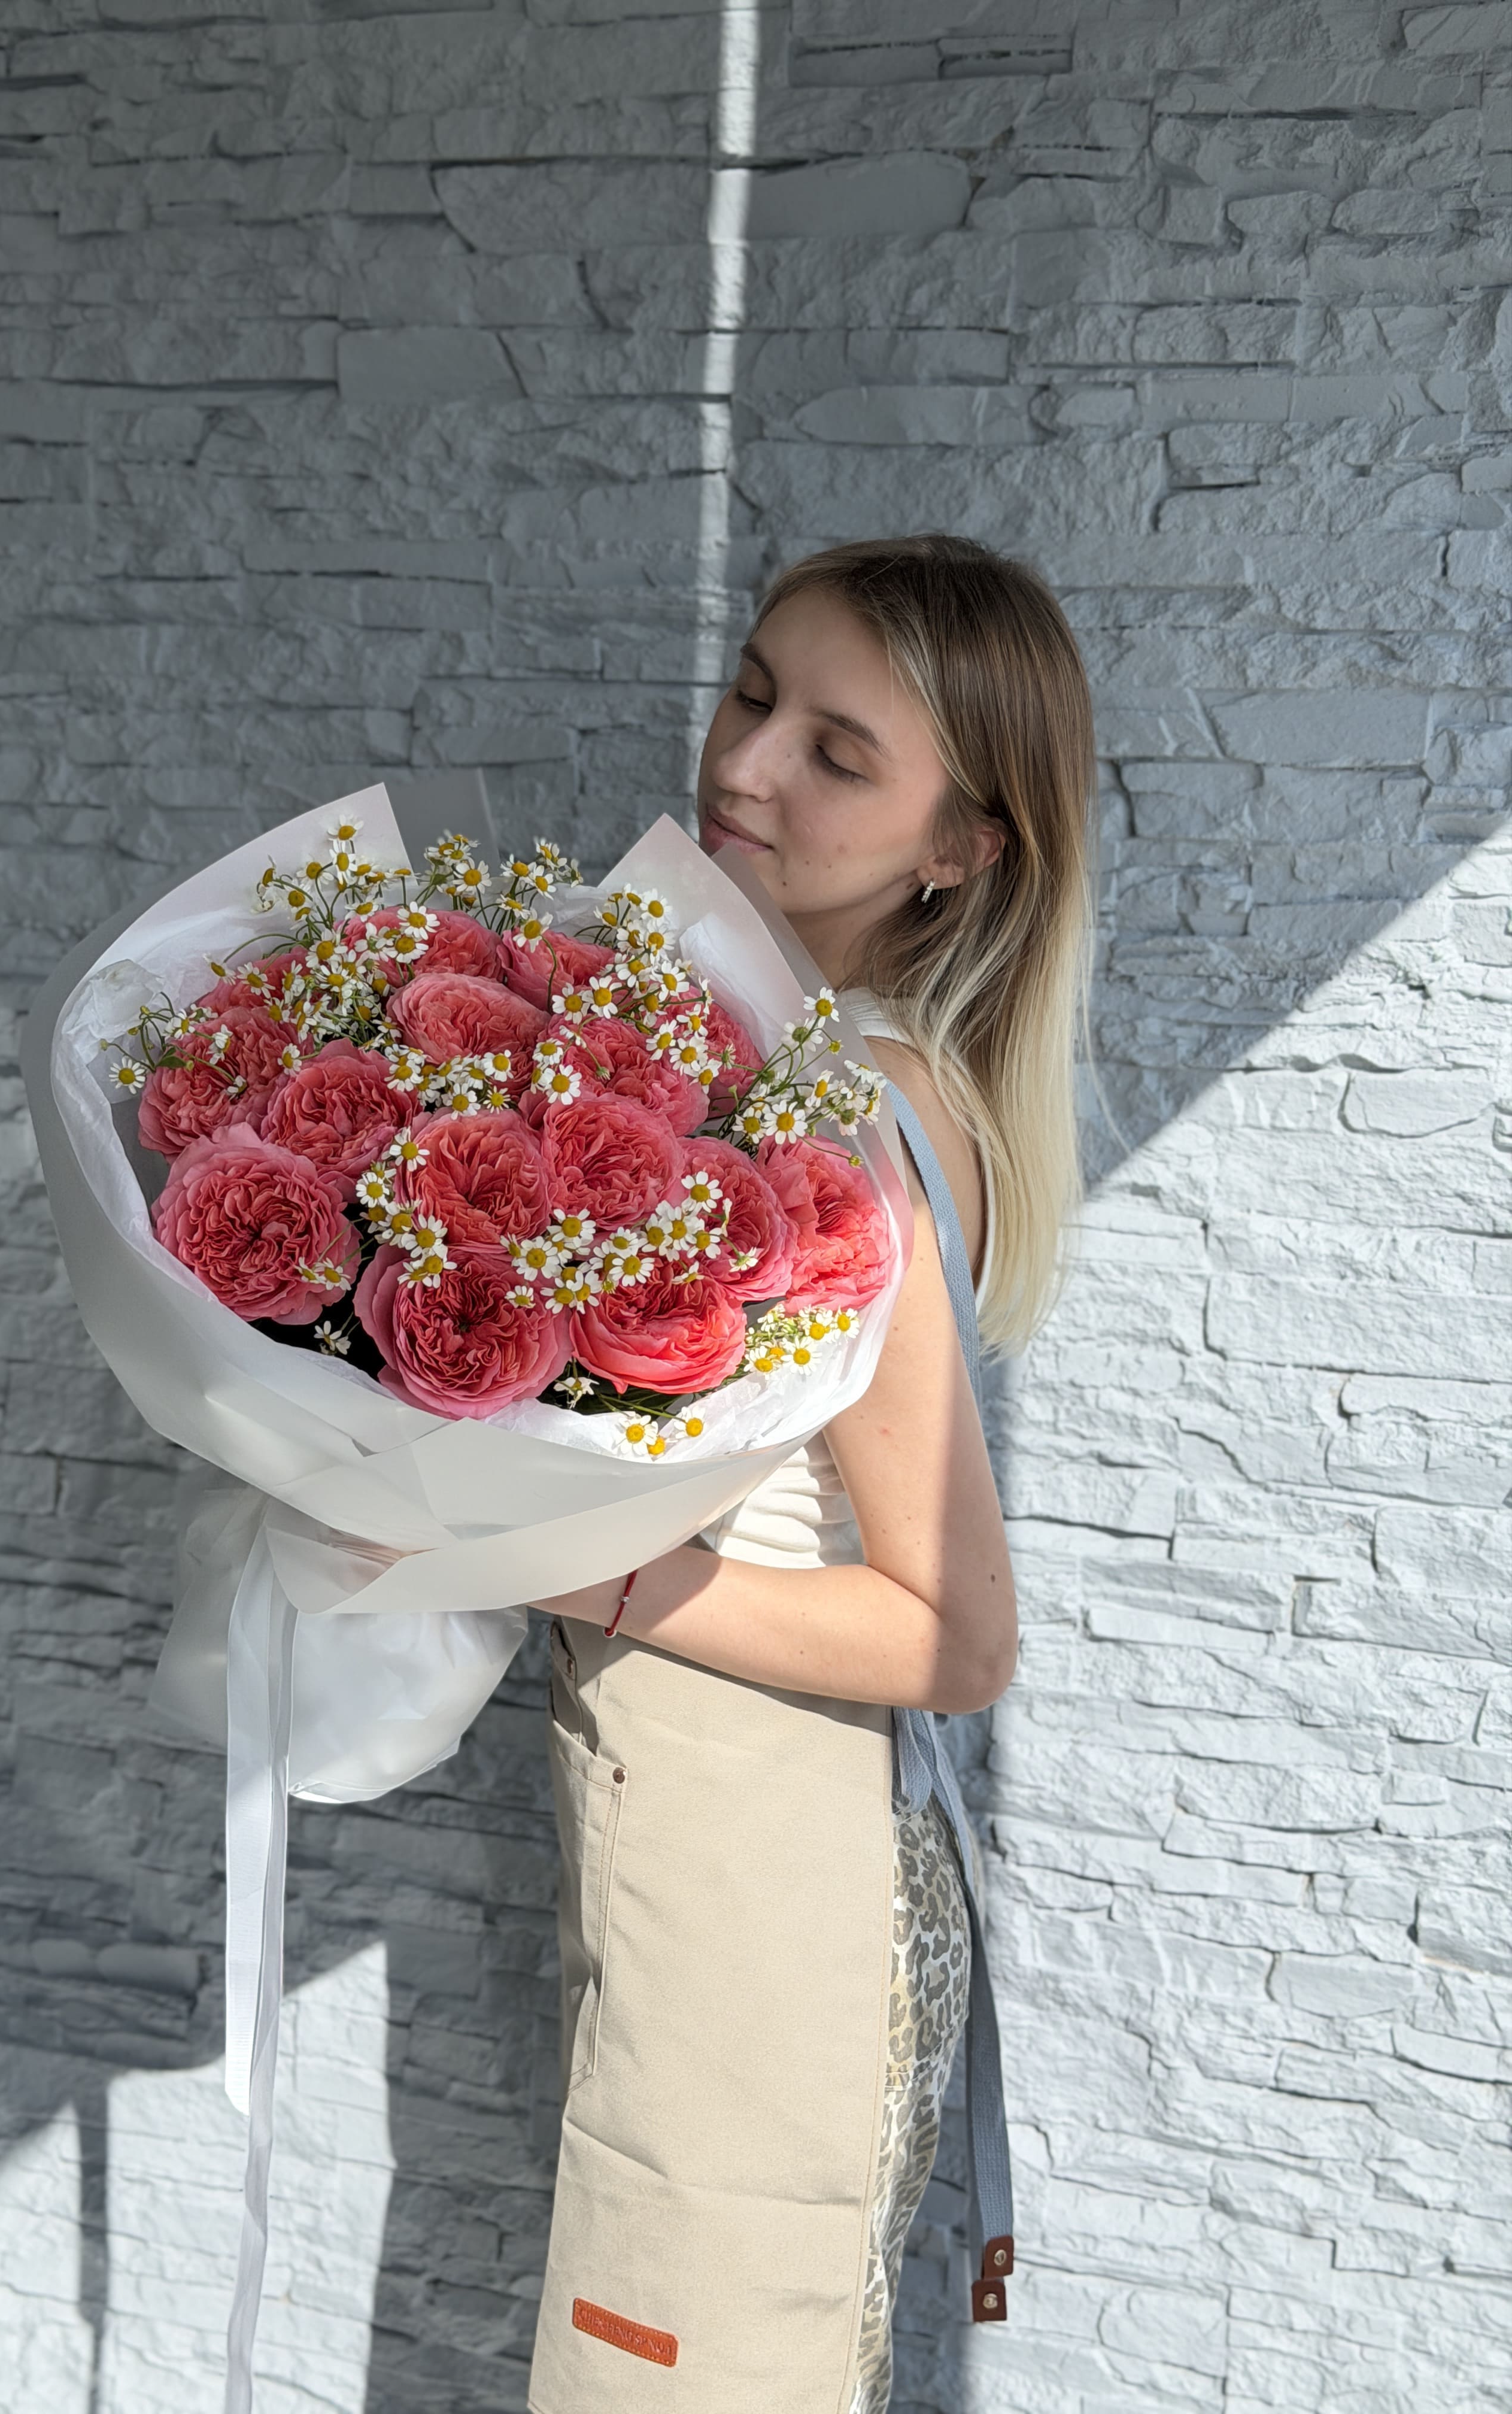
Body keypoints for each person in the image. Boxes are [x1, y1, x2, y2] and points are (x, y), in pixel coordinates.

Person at [526, 534, 1097, 2413]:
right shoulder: (791, 1068)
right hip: (726, 1887)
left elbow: (955, 1630)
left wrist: (582, 1572)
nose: (745, 767)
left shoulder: (843, 1114)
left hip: (779, 1920)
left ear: (961, 848)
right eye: (755, 693)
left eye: (839, 753)